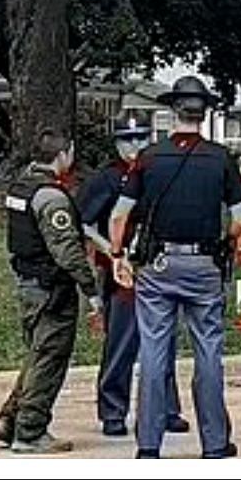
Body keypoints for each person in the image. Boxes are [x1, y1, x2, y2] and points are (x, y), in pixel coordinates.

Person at [108, 76, 241, 459]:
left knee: (152, 350)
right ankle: (215, 443)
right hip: (204, 264)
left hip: (157, 265)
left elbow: (120, 216)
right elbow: (239, 219)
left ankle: (149, 444)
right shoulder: (221, 159)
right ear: (205, 112)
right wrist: (226, 244)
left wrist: (119, 255)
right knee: (208, 352)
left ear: (173, 111)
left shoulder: (148, 158)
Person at [76, 118, 187, 439]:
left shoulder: (156, 174)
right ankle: (113, 411)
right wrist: (111, 252)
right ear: (117, 145)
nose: (136, 146)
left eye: (141, 139)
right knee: (122, 343)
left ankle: (166, 408)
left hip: (157, 266)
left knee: (162, 341)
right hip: (121, 270)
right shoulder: (106, 179)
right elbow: (83, 223)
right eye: (128, 140)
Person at [0, 129, 100, 454]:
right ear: (63, 154)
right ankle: (31, 432)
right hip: (52, 289)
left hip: (28, 283)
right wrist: (90, 288)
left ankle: (10, 419)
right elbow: (66, 250)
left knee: (37, 354)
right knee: (50, 358)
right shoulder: (51, 196)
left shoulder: (21, 187)